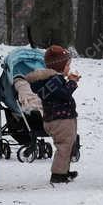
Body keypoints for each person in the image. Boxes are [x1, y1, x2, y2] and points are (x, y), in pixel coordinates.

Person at [25, 45, 80, 184]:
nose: (69, 68)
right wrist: (72, 82)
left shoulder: (51, 80)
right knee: (64, 146)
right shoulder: (55, 80)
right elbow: (64, 94)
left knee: (66, 145)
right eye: (67, 65)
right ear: (60, 66)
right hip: (60, 119)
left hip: (57, 119)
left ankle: (64, 171)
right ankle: (58, 175)